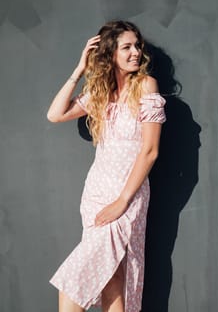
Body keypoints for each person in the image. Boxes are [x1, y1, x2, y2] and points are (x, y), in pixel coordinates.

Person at [47, 20, 166, 312]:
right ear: (110, 53)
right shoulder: (100, 92)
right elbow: (55, 114)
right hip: (96, 194)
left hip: (127, 195)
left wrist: (122, 201)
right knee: (111, 276)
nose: (135, 52)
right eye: (126, 47)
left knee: (76, 279)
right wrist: (79, 71)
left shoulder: (146, 85)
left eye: (137, 45)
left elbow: (149, 152)